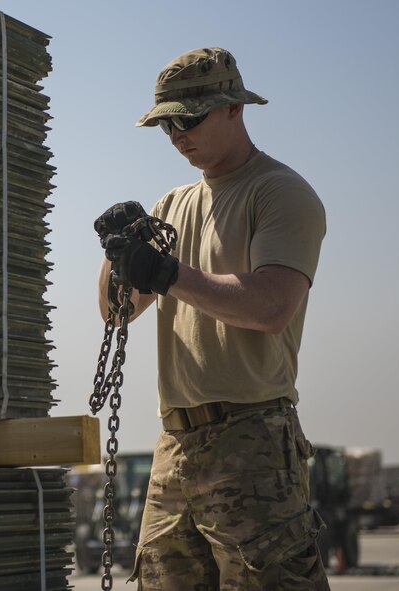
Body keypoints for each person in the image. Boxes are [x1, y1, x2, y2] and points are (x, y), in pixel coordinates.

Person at [93, 48, 329, 590]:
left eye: (188, 118)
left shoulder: (279, 193)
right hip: (175, 442)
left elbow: (271, 305)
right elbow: (116, 313)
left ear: (233, 109)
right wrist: (117, 254)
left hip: (251, 437)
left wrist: (167, 272)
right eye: (166, 124)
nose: (177, 133)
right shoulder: (171, 204)